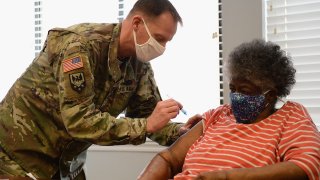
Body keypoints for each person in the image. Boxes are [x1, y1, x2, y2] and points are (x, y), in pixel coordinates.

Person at [0, 0, 199, 179]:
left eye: (166, 42)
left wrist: (183, 132)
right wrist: (145, 125)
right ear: (137, 23)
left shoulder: (139, 65)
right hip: (16, 157)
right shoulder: (80, 46)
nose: (162, 48)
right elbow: (79, 121)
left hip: (65, 164)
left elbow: (147, 116)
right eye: (159, 38)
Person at [138, 39, 320, 180]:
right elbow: (169, 158)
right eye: (233, 89)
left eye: (245, 90)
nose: (236, 96)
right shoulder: (217, 115)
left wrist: (227, 177)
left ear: (270, 95)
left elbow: (306, 166)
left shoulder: (291, 116)